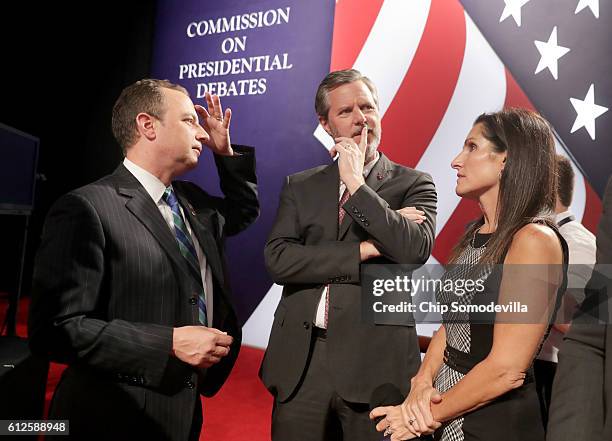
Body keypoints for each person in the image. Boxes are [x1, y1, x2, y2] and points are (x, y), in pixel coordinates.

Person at [28, 79, 259, 440]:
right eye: (188, 120)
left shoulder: (193, 202)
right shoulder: (85, 208)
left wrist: (225, 155)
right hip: (112, 415)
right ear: (147, 126)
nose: (201, 131)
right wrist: (168, 342)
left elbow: (243, 211)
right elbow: (55, 331)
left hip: (181, 411)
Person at [259, 68, 437, 441]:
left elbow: (412, 249)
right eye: (346, 112)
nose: (361, 119)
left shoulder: (414, 183)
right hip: (303, 364)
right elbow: (279, 259)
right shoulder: (301, 185)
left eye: (368, 107)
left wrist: (356, 184)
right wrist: (367, 248)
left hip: (375, 367)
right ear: (326, 124)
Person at [371, 108, 567, 441]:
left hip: (493, 423)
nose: (456, 161)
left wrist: (420, 417)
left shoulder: (534, 241)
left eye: (471, 147)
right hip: (446, 413)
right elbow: (452, 324)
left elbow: (507, 371)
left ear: (506, 159)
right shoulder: (476, 233)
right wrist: (421, 384)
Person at [547, 176, 612, 441]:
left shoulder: (578, 242)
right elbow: (591, 329)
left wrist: (527, 298)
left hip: (545, 368)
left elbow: (572, 318)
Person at [534, 154, 596, 427]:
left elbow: (575, 321)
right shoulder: (549, 237)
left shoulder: (577, 242)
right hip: (541, 372)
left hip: (555, 375)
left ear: (545, 187)